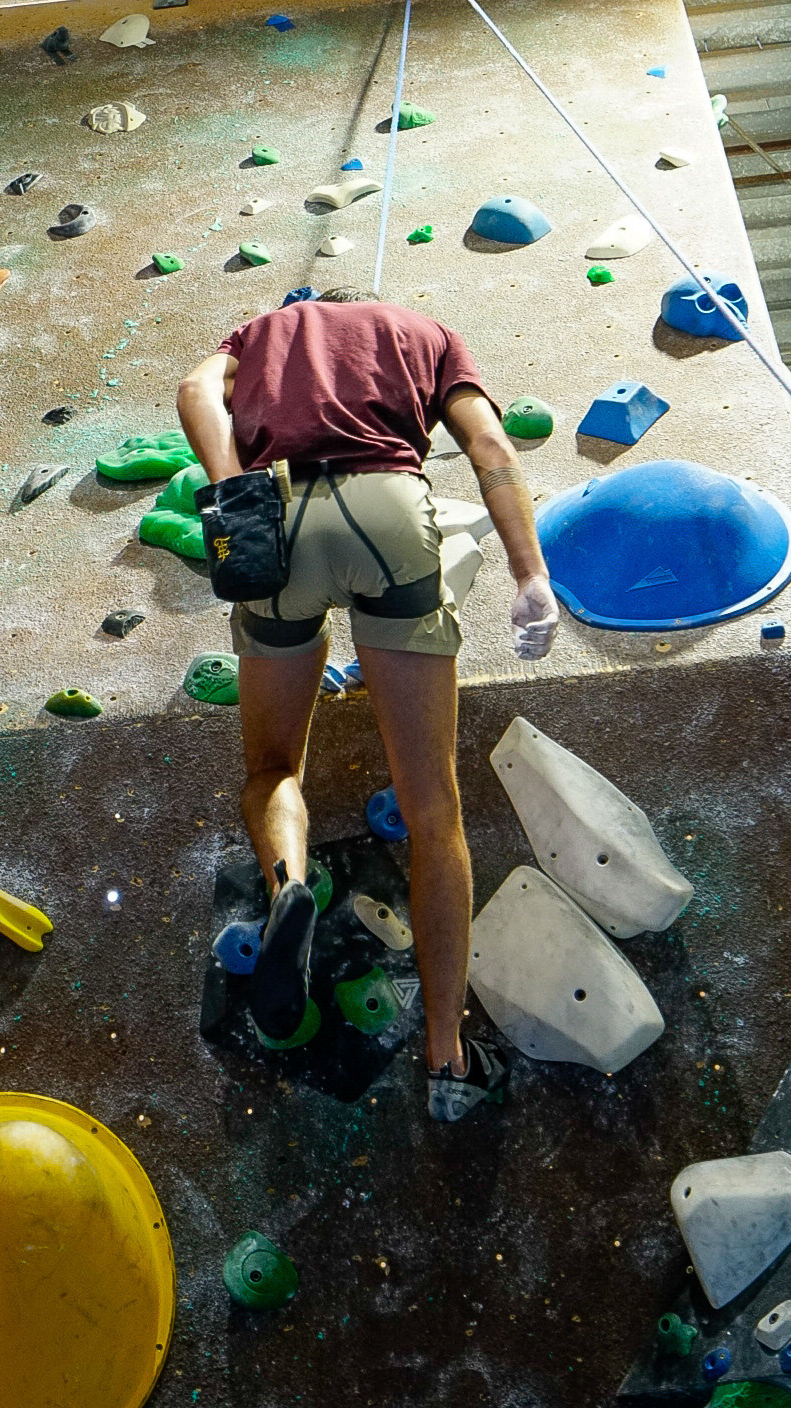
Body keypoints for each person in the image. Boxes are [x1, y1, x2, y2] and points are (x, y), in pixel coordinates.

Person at [176, 287, 559, 1122]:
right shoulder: (428, 330)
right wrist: (532, 576)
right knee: (433, 810)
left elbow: (196, 391)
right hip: (387, 510)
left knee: (273, 766)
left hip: (277, 517)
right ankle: (448, 1055)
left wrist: (232, 486)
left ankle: (288, 888)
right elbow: (489, 444)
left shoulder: (263, 329)